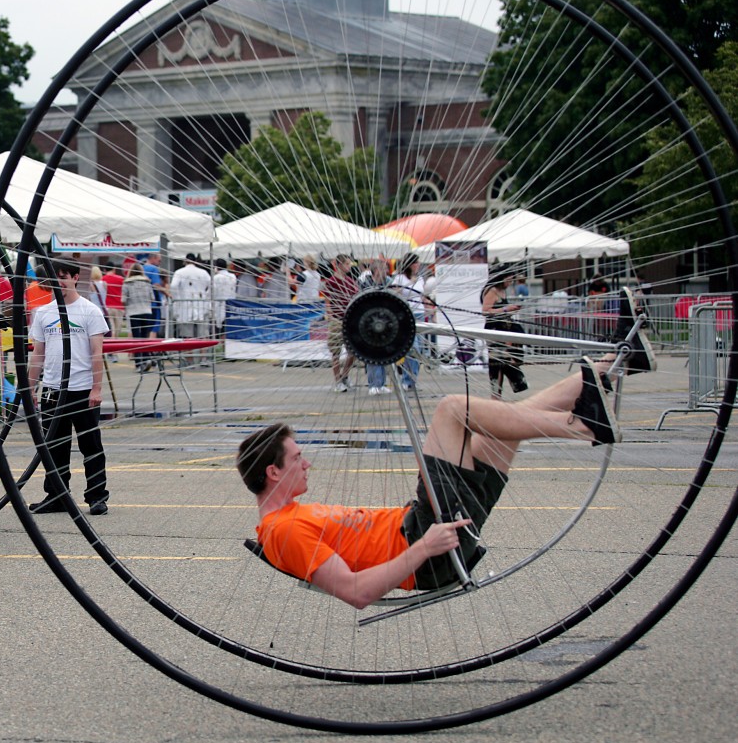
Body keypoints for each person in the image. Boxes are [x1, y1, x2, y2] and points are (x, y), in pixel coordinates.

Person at [237, 352, 638, 608]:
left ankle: (611, 365)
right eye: (297, 458)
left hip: (429, 532)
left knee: (506, 424)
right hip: (426, 542)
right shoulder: (283, 530)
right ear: (273, 472)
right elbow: (356, 592)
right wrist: (425, 546)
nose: (307, 463)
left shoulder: (290, 515)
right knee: (451, 410)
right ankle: (582, 426)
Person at [27, 259, 111, 516]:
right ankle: (56, 495)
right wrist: (30, 388)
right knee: (54, 446)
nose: (60, 281)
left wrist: (96, 389)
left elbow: (97, 353)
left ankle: (97, 496)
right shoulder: (44, 313)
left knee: (90, 445)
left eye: (64, 275)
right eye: (55, 276)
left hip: (81, 389)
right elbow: (38, 354)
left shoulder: (89, 311)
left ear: (76, 277)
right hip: (52, 389)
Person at [483, 269, 528, 398]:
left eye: (511, 280)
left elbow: (501, 311)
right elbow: (485, 311)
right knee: (497, 363)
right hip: (494, 330)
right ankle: (496, 394)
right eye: (508, 280)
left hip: (505, 329)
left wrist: (511, 310)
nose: (509, 283)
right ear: (501, 278)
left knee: (506, 360)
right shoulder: (492, 291)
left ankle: (504, 391)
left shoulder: (502, 291)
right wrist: (505, 309)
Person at [389, 254, 426, 391]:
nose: (418, 265)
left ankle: (413, 380)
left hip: (420, 314)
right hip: (406, 314)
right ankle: (406, 378)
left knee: (419, 349)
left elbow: (422, 296)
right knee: (411, 347)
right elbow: (394, 292)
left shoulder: (421, 279)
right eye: (416, 263)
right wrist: (410, 283)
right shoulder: (399, 278)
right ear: (410, 264)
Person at [323, 254, 357, 392]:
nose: (349, 266)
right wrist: (330, 315)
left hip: (348, 318)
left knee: (353, 351)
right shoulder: (331, 281)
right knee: (336, 352)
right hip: (337, 319)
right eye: (347, 264)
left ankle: (345, 375)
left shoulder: (350, 281)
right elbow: (327, 300)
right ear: (339, 265)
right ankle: (338, 381)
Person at [358, 258, 392, 395]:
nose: (387, 271)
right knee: (372, 354)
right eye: (384, 268)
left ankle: (381, 383)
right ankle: (373, 384)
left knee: (383, 353)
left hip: (385, 320)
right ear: (377, 270)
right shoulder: (364, 283)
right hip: (369, 321)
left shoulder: (389, 282)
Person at [121, 259, 156, 370]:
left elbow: (123, 299)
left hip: (133, 312)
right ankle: (146, 360)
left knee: (136, 338)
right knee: (145, 337)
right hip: (146, 311)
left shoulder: (127, 283)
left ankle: (138, 363)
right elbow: (152, 298)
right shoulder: (147, 282)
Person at [169, 253, 211, 339]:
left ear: (185, 261)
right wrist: (206, 296)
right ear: (195, 261)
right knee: (203, 334)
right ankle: (204, 352)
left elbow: (173, 286)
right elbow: (212, 286)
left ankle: (189, 352)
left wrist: (177, 299)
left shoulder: (179, 272)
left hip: (185, 305)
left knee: (187, 334)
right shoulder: (203, 272)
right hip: (201, 304)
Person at [142, 253, 169, 338]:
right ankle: (151, 348)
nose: (159, 263)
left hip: (142, 303)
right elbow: (156, 285)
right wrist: (168, 293)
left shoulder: (141, 268)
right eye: (159, 260)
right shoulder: (153, 269)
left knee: (142, 328)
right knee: (154, 327)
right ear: (153, 258)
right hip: (154, 303)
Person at [210, 258, 237, 335]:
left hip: (219, 304)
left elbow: (212, 292)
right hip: (231, 304)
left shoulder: (215, 278)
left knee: (219, 326)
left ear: (216, 267)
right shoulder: (233, 276)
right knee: (228, 324)